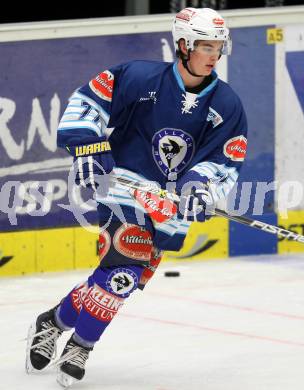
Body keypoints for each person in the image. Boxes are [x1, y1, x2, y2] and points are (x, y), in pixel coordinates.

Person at [25, 7, 248, 387]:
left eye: (218, 47)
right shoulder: (139, 76)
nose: (214, 55)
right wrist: (89, 147)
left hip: (169, 207)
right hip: (123, 186)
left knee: (117, 279)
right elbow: (87, 103)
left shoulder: (226, 104)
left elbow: (225, 157)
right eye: (205, 46)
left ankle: (54, 321)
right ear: (183, 45)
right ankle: (82, 345)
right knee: (124, 272)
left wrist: (200, 189)